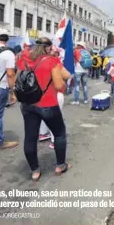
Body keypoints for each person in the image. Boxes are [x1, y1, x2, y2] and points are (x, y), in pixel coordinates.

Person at [17, 37, 71, 181]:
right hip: (47, 104)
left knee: (30, 137)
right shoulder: (51, 61)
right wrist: (64, 86)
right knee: (59, 133)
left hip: (28, 104)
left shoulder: (24, 59)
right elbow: (60, 85)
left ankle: (35, 171)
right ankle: (60, 165)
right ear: (48, 48)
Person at [38, 45, 66, 148]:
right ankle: (54, 140)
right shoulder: (55, 62)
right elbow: (65, 77)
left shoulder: (37, 61)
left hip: (40, 93)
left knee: (42, 115)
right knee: (56, 118)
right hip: (54, 93)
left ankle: (42, 133)